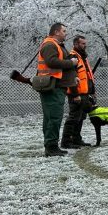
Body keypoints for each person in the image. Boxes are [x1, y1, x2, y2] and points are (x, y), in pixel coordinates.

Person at [36, 23, 80, 157]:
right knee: (54, 118)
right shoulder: (50, 45)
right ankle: (51, 147)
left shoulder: (55, 45)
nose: (66, 33)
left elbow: (57, 63)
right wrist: (71, 63)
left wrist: (73, 78)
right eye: (64, 31)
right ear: (56, 32)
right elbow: (52, 62)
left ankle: (51, 146)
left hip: (55, 86)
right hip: (52, 87)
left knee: (52, 117)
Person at [61, 35, 95, 149]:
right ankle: (66, 141)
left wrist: (91, 91)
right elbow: (70, 77)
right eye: (82, 44)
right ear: (76, 44)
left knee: (81, 117)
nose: (85, 45)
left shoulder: (82, 57)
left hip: (84, 93)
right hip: (76, 94)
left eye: (85, 43)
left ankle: (76, 139)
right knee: (73, 117)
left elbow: (87, 76)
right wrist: (75, 94)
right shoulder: (73, 57)